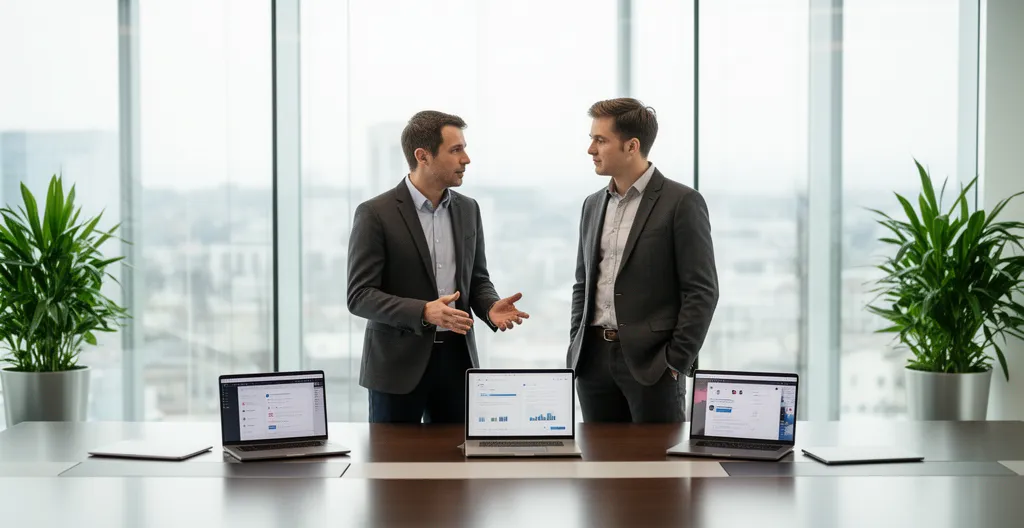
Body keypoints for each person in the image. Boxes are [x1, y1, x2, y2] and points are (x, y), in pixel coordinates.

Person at [347, 110, 529, 423]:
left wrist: (489, 307)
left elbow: (476, 279)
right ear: (423, 156)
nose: (466, 159)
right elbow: (360, 296)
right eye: (456, 150)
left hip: (457, 363)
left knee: (456, 465)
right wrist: (423, 311)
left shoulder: (468, 209)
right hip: (396, 367)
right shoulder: (375, 213)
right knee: (394, 466)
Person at [568, 98, 719, 423]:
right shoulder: (592, 205)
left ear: (631, 146)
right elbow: (583, 284)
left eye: (600, 140)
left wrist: (676, 361)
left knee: (658, 470)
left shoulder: (682, 202)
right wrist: (576, 344)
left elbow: (702, 291)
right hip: (592, 362)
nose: (590, 149)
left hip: (653, 365)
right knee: (601, 467)